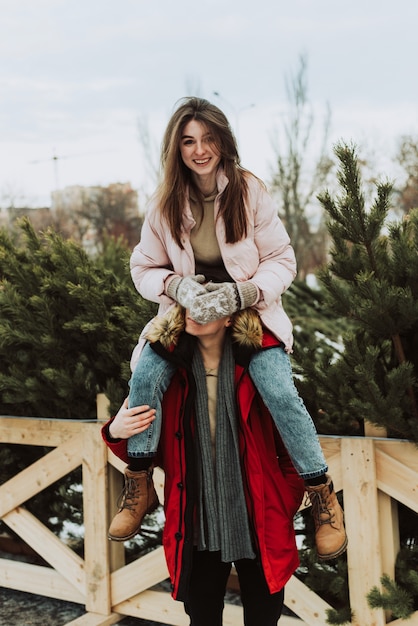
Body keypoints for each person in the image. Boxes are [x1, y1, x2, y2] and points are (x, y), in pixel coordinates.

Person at [108, 96, 347, 561]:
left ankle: (321, 496)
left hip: (247, 314)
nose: (200, 150)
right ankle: (138, 483)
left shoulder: (248, 190)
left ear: (223, 140)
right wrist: (176, 286)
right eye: (189, 141)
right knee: (145, 377)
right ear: (176, 148)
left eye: (208, 139)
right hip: (186, 312)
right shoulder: (164, 203)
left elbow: (283, 259)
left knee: (278, 388)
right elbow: (143, 268)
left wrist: (245, 293)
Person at [102, 306, 307, 626]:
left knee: (264, 617)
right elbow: (147, 451)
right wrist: (116, 431)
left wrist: (285, 499)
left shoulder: (260, 367)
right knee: (202, 617)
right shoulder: (167, 377)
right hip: (197, 518)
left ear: (230, 317)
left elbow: (292, 441)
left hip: (259, 516)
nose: (196, 315)